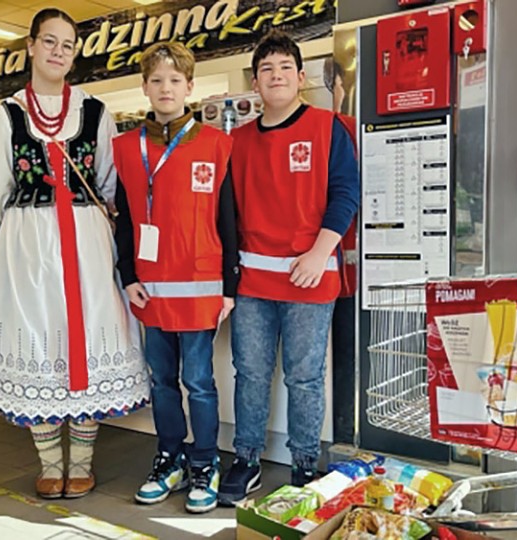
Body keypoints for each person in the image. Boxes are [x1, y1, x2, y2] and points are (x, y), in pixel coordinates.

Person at [0, 8, 149, 500]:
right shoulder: (3, 117)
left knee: (91, 331)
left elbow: (104, 180)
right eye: (50, 42)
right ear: (32, 47)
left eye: (68, 45)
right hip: (28, 240)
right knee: (39, 338)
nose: (59, 52)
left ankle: (80, 460)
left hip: (85, 238)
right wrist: (30, 229)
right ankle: (49, 461)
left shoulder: (95, 112)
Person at [218, 31, 360, 506]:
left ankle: (303, 464)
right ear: (255, 84)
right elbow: (224, 213)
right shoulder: (235, 142)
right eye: (266, 69)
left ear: (300, 78)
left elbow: (346, 193)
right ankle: (246, 459)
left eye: (284, 67)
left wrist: (321, 251)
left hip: (310, 274)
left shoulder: (328, 127)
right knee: (250, 373)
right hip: (254, 279)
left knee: (304, 377)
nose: (275, 76)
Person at [112, 42, 238, 513]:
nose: (166, 89)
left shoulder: (217, 144)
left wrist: (230, 285)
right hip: (150, 289)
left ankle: (205, 461)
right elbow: (123, 218)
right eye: (157, 80)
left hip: (202, 288)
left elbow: (229, 219)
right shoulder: (125, 148)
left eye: (175, 80)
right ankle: (170, 458)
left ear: (190, 86)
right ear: (145, 87)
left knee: (199, 381)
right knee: (162, 379)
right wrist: (127, 275)